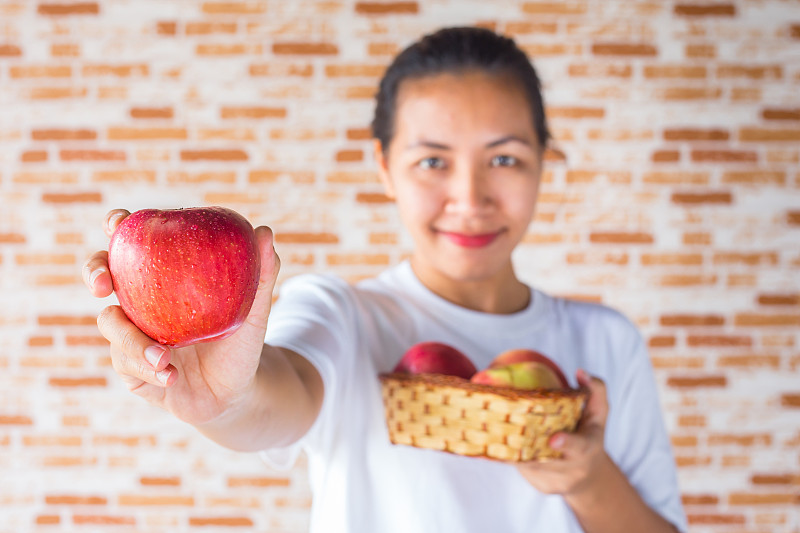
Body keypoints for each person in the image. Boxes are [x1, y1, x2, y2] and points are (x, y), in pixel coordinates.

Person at [83, 26, 687, 533]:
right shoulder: (342, 313)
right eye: (433, 161)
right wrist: (227, 400)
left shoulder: (608, 344)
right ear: (385, 168)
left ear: (543, 163)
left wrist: (588, 478)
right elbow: (283, 392)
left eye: (504, 159)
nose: (469, 198)